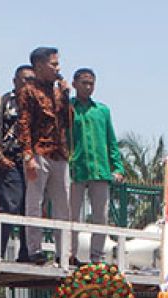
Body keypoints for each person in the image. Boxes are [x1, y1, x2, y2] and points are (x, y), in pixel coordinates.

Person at [18, 46, 72, 265]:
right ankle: (35, 250)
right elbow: (24, 123)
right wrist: (28, 155)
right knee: (35, 203)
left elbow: (68, 123)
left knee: (63, 206)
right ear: (39, 66)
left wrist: (67, 95)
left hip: (59, 154)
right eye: (54, 64)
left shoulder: (59, 91)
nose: (58, 68)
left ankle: (63, 252)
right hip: (38, 152)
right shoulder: (28, 91)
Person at [68, 67, 124, 265]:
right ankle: (70, 254)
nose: (88, 87)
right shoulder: (68, 108)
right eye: (84, 82)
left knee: (101, 216)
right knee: (72, 215)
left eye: (91, 83)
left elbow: (111, 140)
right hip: (76, 168)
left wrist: (117, 167)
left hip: (100, 170)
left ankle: (97, 256)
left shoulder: (102, 110)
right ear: (74, 84)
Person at [0, 65, 35, 263]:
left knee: (29, 209)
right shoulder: (1, 102)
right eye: (24, 79)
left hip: (32, 165)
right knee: (9, 206)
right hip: (8, 162)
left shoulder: (38, 105)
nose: (28, 84)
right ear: (15, 81)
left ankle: (27, 252)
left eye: (32, 80)